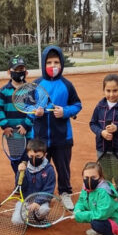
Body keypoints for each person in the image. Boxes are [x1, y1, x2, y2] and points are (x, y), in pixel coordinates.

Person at [33, 45, 82, 210]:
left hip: (62, 137)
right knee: (40, 168)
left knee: (63, 168)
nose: (53, 65)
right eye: (49, 62)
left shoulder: (67, 85)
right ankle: (42, 196)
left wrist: (65, 111)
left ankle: (65, 193)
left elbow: (77, 105)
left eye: (56, 62)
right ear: (43, 63)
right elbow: (27, 108)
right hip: (40, 138)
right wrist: (35, 113)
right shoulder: (36, 85)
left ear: (61, 64)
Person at [89, 74, 118, 219]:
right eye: (108, 91)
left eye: (115, 91)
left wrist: (117, 128)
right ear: (104, 90)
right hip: (102, 148)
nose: (111, 94)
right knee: (105, 179)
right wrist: (101, 132)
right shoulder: (99, 106)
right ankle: (107, 204)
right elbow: (93, 124)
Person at [74, 162, 118, 235]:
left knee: (96, 223)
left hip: (112, 221)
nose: (89, 181)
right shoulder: (85, 188)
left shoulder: (103, 192)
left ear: (101, 178)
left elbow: (102, 214)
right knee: (94, 220)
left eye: (93, 178)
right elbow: (81, 201)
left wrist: (81, 215)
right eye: (86, 178)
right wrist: (77, 209)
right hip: (98, 214)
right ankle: (100, 231)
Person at [0, 55, 33, 174]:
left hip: (27, 132)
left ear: (26, 72)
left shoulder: (30, 89)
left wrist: (26, 125)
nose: (19, 72)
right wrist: (5, 126)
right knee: (16, 160)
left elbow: (33, 110)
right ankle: (19, 183)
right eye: (16, 70)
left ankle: (29, 184)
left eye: (21, 70)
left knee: (29, 159)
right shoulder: (3, 91)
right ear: (9, 72)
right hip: (12, 133)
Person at [11, 138, 56, 224]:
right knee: (16, 221)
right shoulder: (24, 167)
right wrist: (20, 173)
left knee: (43, 210)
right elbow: (19, 186)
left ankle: (40, 217)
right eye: (31, 156)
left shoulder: (49, 170)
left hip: (41, 201)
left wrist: (37, 202)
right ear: (27, 154)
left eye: (38, 156)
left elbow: (49, 190)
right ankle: (30, 214)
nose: (34, 159)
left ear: (45, 155)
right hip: (26, 200)